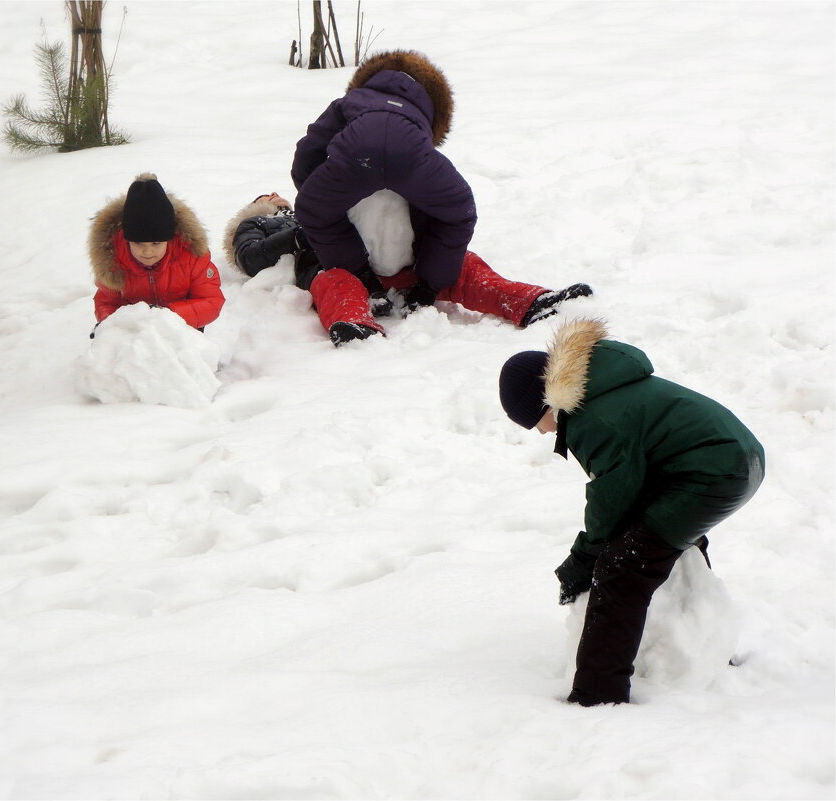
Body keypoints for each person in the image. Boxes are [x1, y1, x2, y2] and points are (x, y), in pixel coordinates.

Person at [498, 319, 765, 706]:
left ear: (542, 401)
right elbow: (627, 491)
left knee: (623, 567)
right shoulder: (601, 393)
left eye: (532, 420)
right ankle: (704, 646)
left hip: (716, 472)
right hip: (731, 460)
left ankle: (597, 694)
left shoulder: (594, 418)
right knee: (655, 540)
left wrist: (582, 562)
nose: (539, 432)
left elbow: (611, 500)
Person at [292, 49, 576, 345]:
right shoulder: (420, 119)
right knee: (463, 267)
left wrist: (315, 187)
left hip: (358, 202)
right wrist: (430, 282)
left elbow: (308, 155)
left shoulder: (349, 105)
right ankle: (527, 300)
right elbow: (453, 214)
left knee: (336, 280)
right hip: (414, 264)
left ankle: (353, 320)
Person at [223, 192, 593, 346]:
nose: (275, 196)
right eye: (265, 197)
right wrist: (302, 234)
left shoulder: (325, 201)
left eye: (277, 194)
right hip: (336, 267)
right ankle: (356, 328)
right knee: (335, 283)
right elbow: (249, 257)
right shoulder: (259, 224)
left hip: (390, 259)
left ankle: (529, 302)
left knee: (458, 266)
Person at [88, 172, 224, 333]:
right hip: (136, 333)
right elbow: (106, 303)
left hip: (184, 327)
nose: (147, 251)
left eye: (156, 243)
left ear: (170, 238)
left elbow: (210, 301)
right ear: (126, 240)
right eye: (138, 243)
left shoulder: (191, 256)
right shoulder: (113, 261)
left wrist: (167, 317)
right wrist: (112, 325)